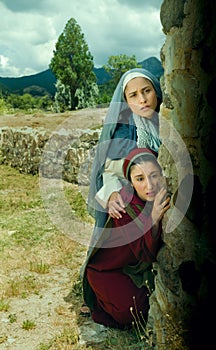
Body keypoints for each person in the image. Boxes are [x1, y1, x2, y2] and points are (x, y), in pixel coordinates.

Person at [81, 148, 170, 329]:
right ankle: (100, 301)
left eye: (154, 176)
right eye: (140, 179)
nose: (149, 186)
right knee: (131, 312)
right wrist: (153, 220)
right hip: (107, 270)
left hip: (132, 268)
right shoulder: (124, 206)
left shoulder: (156, 198)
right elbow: (145, 254)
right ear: (130, 182)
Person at [87, 68, 163, 235]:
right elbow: (110, 170)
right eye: (133, 95)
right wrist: (113, 193)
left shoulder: (168, 118)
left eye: (146, 91)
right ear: (126, 101)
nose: (142, 100)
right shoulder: (124, 130)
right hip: (139, 205)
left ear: (156, 91)